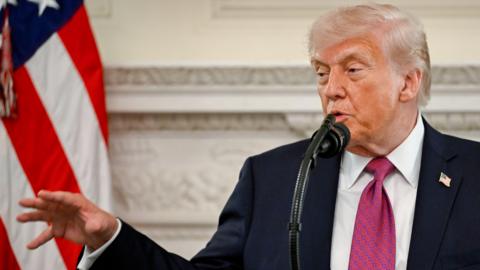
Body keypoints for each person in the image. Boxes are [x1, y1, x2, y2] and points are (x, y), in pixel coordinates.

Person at [17, 3, 480, 270]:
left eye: (353, 70)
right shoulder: (274, 178)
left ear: (409, 82)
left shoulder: (473, 176)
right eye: (322, 72)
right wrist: (110, 239)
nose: (331, 88)